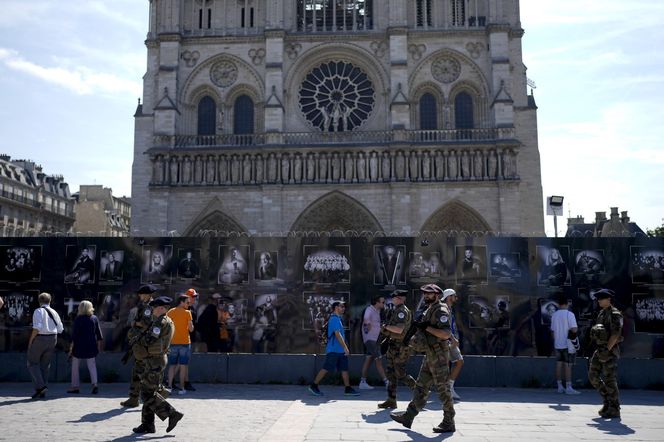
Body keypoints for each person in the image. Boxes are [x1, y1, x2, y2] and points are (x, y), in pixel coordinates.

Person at [391, 284, 456, 433]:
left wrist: (426, 327)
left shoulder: (440, 310)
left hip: (439, 356)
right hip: (430, 354)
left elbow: (445, 334)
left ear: (437, 295)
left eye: (429, 294)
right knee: (421, 387)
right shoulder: (430, 309)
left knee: (443, 389)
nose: (426, 296)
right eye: (425, 293)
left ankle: (449, 422)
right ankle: (409, 416)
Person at [132, 296, 184, 434]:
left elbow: (149, 340)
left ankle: (172, 414)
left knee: (148, 393)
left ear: (161, 308)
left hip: (155, 360)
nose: (152, 310)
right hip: (157, 359)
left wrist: (138, 340)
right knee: (148, 391)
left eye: (154, 307)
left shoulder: (160, 322)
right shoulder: (167, 321)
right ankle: (147, 425)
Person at [308, 300, 360, 397]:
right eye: (341, 306)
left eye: (344, 307)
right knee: (326, 368)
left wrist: (344, 347)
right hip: (334, 350)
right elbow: (337, 334)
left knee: (344, 368)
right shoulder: (334, 319)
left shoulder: (338, 319)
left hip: (340, 350)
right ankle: (313, 385)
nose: (343, 308)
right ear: (336, 308)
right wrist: (345, 347)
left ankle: (347, 388)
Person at [378, 289, 416, 409]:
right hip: (393, 345)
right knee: (391, 373)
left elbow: (399, 330)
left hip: (400, 347)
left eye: (394, 298)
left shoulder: (402, 312)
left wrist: (386, 327)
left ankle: (420, 392)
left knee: (400, 373)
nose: (392, 299)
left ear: (399, 298)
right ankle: (391, 399)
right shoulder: (397, 310)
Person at [589, 289, 624, 419]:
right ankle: (607, 401)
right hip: (600, 350)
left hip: (609, 351)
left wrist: (607, 351)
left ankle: (614, 408)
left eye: (601, 298)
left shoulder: (615, 314)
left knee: (610, 379)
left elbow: (615, 334)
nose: (598, 301)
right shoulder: (601, 313)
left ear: (609, 299)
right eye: (598, 299)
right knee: (593, 376)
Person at [121, 284, 157, 407]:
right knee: (139, 371)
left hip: (143, 343)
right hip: (140, 342)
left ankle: (152, 397)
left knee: (141, 371)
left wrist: (134, 322)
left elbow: (146, 324)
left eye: (141, 293)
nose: (139, 295)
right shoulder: (145, 305)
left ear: (147, 294)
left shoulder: (148, 307)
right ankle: (134, 398)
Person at [27, 292, 64, 399]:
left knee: (32, 363)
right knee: (45, 365)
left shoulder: (38, 311)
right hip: (53, 338)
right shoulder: (54, 312)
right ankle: (41, 391)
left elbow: (37, 328)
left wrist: (31, 340)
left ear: (39, 301)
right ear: (50, 301)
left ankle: (41, 386)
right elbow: (60, 329)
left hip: (40, 338)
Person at [68, 300, 103, 394]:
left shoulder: (78, 319)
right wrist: (99, 346)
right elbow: (99, 334)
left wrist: (71, 347)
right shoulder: (94, 318)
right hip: (91, 345)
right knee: (92, 366)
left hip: (79, 346)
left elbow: (74, 335)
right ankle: (94, 385)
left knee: (75, 367)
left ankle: (75, 387)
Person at [550, 295, 580, 395]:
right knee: (568, 365)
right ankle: (568, 387)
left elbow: (553, 331)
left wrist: (555, 341)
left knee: (559, 364)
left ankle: (559, 386)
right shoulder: (570, 314)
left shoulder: (554, 315)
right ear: (567, 304)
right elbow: (574, 329)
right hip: (568, 344)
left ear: (558, 304)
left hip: (557, 343)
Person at [167, 294, 194, 395]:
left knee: (171, 365)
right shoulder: (187, 313)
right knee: (183, 366)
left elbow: (166, 326)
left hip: (173, 342)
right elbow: (191, 329)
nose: (189, 304)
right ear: (181, 302)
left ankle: (169, 387)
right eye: (187, 302)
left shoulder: (170, 312)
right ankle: (182, 388)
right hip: (185, 343)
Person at [359, 295, 388, 389]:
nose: (384, 304)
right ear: (377, 302)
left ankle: (362, 382)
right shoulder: (369, 310)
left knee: (369, 359)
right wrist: (368, 327)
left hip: (375, 339)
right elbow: (366, 319)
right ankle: (387, 382)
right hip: (370, 340)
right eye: (382, 302)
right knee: (378, 359)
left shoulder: (378, 311)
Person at [443, 288, 464, 400]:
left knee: (451, 364)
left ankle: (449, 388)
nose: (456, 298)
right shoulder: (445, 309)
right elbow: (445, 327)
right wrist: (453, 339)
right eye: (454, 296)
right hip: (448, 341)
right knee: (459, 362)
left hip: (451, 341)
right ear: (449, 297)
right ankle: (449, 388)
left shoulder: (449, 309)